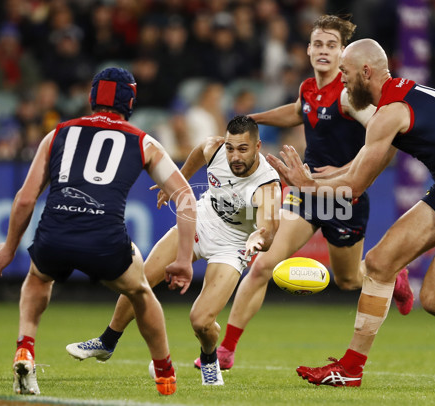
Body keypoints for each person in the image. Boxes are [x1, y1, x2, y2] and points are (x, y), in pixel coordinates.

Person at [268, 39, 435, 388]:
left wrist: (305, 184)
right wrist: (311, 177)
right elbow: (356, 167)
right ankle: (351, 368)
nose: (339, 81)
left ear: (365, 72)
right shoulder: (403, 97)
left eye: (344, 73)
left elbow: (356, 186)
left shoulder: (389, 113)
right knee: (378, 263)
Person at [207, 15, 414, 372]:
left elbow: (388, 138)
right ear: (307, 50)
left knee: (349, 280)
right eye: (318, 43)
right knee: (262, 265)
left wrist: (351, 173)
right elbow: (299, 112)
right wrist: (253, 119)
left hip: (343, 197)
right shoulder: (308, 89)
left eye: (331, 45)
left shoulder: (351, 98)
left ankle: (394, 277)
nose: (323, 50)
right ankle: (225, 350)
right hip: (305, 193)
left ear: (342, 54)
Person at [0, 67, 196, 396]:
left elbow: (26, 199)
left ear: (92, 97)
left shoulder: (57, 134)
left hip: (55, 233)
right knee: (140, 292)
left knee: (38, 278)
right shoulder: (144, 141)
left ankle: (25, 347)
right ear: (130, 100)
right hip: (105, 241)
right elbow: (186, 198)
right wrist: (184, 259)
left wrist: (9, 248)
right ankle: (165, 372)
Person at [65, 115, 282, 386]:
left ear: (258, 146)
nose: (234, 156)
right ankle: (107, 341)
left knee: (201, 322)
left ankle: (209, 357)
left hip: (234, 243)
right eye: (230, 148)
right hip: (202, 220)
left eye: (242, 149)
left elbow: (268, 233)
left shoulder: (268, 187)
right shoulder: (213, 148)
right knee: (138, 278)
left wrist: (256, 241)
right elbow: (196, 155)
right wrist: (177, 185)